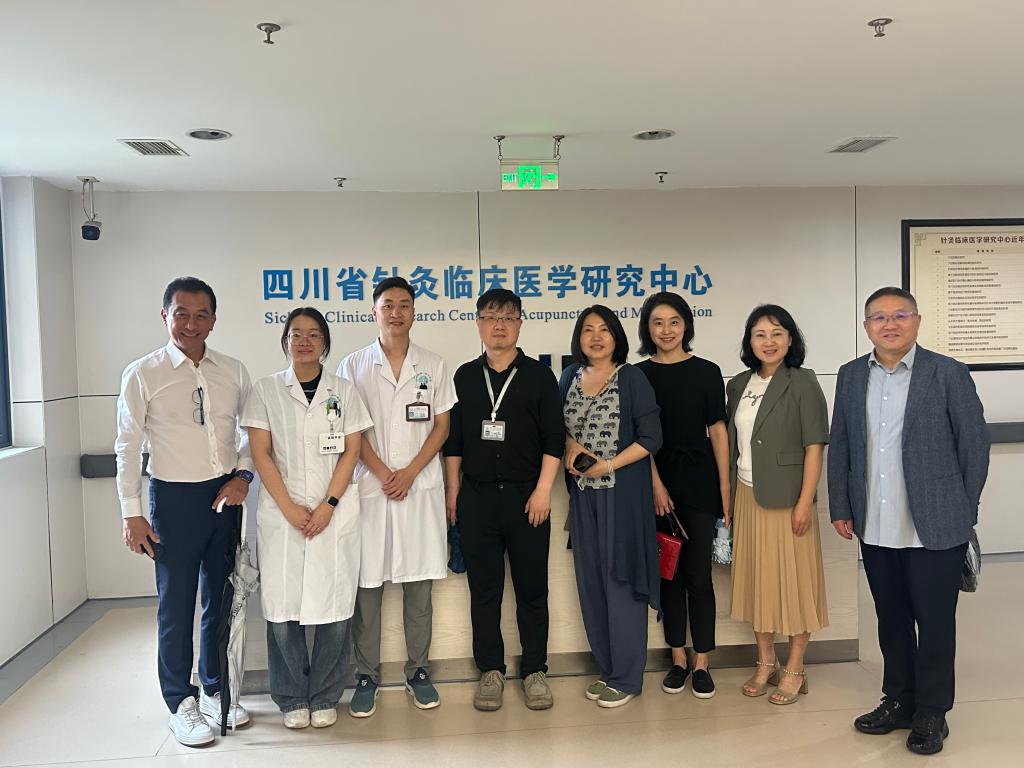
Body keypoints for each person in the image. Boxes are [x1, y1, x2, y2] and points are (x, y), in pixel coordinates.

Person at [828, 287, 990, 756]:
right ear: (866, 327)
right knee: (892, 619)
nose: (890, 324)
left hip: (935, 523)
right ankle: (899, 700)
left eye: (900, 315)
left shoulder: (948, 372)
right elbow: (842, 443)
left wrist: (963, 509)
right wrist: (841, 505)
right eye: (879, 317)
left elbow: (973, 445)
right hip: (876, 522)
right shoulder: (851, 375)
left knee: (935, 622)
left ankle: (933, 711)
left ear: (917, 321)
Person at [115, 276, 254, 747]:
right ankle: (180, 701)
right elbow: (127, 445)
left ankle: (214, 688)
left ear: (213, 320)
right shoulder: (143, 373)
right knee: (176, 605)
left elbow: (248, 432)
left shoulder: (232, 370)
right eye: (181, 314)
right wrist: (132, 513)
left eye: (201, 315)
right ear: (165, 316)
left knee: (220, 597)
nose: (190, 324)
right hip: (172, 499)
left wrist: (243, 476)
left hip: (224, 496)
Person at [242, 307, 372, 729]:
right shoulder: (265, 390)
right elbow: (261, 452)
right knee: (283, 610)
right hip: (282, 515)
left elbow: (352, 451)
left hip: (333, 513)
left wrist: (327, 505)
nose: (304, 341)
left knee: (335, 606)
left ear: (325, 343)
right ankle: (291, 695)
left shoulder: (344, 391)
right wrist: (289, 507)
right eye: (295, 334)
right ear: (284, 342)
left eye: (313, 334)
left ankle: (326, 694)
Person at [338, 277, 456, 717]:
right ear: (374, 312)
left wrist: (409, 472)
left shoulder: (434, 364)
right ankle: (366, 675)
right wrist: (384, 471)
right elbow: (350, 429)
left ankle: (418, 671)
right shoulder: (353, 366)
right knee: (367, 590)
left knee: (418, 589)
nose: (396, 313)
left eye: (404, 305)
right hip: (372, 488)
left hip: (418, 488)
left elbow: (442, 427)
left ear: (414, 312)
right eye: (387, 305)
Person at [443, 288, 563, 712]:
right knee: (484, 591)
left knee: (532, 590)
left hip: (528, 499)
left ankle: (534, 671)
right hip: (476, 499)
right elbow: (453, 443)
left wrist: (543, 490)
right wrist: (453, 494)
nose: (499, 326)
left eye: (508, 318)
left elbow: (554, 439)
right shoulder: (463, 377)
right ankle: (490, 670)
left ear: (520, 324)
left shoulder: (540, 377)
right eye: (491, 317)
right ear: (478, 323)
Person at [726, 304, 829, 705]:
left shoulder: (802, 382)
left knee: (795, 583)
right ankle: (766, 661)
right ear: (749, 341)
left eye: (777, 333)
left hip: (788, 500)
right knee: (758, 583)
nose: (768, 341)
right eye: (760, 334)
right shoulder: (738, 384)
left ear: (790, 339)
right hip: (747, 495)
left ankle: (796, 667)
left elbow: (815, 446)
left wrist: (805, 502)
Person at [560, 305, 662, 709]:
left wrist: (608, 464)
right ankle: (607, 670)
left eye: (605, 329)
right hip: (583, 496)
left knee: (621, 582)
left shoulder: (631, 377)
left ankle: (627, 677)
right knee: (591, 583)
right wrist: (571, 447)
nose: (596, 337)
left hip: (622, 494)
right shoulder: (569, 376)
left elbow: (651, 438)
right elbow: (557, 428)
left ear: (617, 336)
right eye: (588, 330)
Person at [635, 292, 729, 699]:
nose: (666, 330)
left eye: (674, 321)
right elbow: (640, 438)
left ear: (686, 325)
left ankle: (702, 661)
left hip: (700, 484)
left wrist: (724, 489)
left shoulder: (707, 371)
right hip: (656, 486)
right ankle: (677, 659)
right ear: (647, 328)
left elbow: (718, 432)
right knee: (668, 576)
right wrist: (656, 484)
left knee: (698, 577)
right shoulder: (637, 375)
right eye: (658, 322)